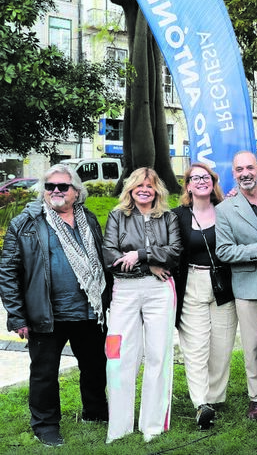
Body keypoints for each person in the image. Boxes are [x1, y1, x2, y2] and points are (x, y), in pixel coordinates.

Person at [0, 165, 111, 447]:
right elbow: (9, 271)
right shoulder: (26, 223)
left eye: (63, 186)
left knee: (95, 366)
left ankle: (96, 413)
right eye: (50, 187)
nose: (56, 192)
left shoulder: (88, 218)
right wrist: (17, 315)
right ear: (43, 191)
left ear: (76, 192)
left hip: (89, 310)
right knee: (45, 373)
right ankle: (46, 425)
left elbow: (100, 259)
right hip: (46, 313)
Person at [102, 167, 182, 443]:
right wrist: (149, 263)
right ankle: (119, 426)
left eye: (150, 186)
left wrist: (141, 255)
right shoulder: (116, 216)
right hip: (124, 290)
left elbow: (175, 252)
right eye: (139, 186)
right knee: (119, 356)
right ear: (131, 189)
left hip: (159, 290)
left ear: (157, 189)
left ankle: (152, 424)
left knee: (158, 355)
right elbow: (109, 253)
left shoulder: (168, 217)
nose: (144, 190)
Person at [215, 151, 257, 421]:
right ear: (233, 174)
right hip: (248, 285)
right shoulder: (224, 209)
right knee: (254, 345)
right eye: (239, 169)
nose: (245, 173)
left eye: (250, 167)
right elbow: (223, 251)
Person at [173, 163, 237, 430]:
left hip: (223, 284)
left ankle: (213, 398)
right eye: (195, 178)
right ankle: (201, 403)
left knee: (221, 349)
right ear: (188, 185)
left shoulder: (226, 210)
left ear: (213, 182)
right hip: (192, 283)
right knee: (196, 347)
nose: (201, 181)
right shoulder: (177, 216)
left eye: (206, 177)